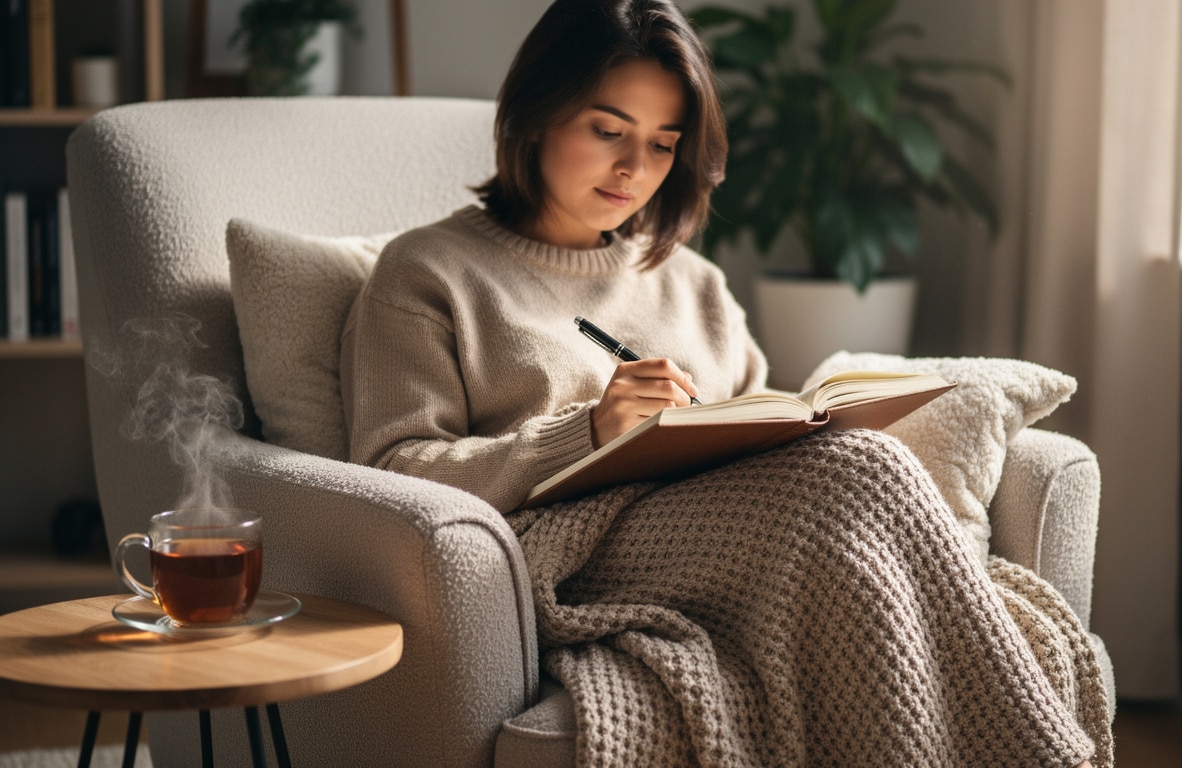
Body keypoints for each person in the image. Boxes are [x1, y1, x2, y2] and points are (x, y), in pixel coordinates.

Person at [340, 0, 1109, 765]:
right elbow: (394, 470)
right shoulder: (428, 272)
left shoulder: (696, 283)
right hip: (567, 552)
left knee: (867, 465)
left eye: (662, 144)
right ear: (535, 116)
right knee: (862, 475)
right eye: (607, 131)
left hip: (730, 536)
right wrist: (589, 432)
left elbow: (764, 424)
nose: (634, 169)